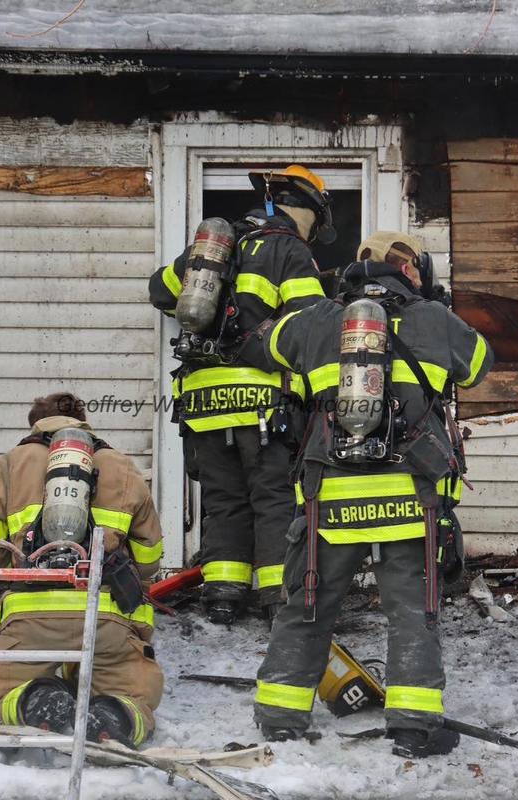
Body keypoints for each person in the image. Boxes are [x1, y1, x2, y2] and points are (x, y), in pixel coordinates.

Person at [248, 231, 494, 758]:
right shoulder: (433, 319)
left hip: (329, 500)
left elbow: (267, 345)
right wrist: (436, 310)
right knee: (413, 613)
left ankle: (280, 719)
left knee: (307, 605)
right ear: (408, 269)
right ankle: (412, 728)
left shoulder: (315, 321)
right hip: (409, 500)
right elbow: (479, 364)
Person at [149, 166, 333, 625]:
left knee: (223, 499)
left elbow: (160, 291)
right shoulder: (288, 248)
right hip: (263, 404)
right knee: (273, 498)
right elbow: (312, 325)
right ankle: (277, 598)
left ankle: (223, 596)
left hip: (203, 404)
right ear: (306, 210)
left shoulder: (214, 248)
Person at [0, 392, 164, 747]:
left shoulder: (9, 464)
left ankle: (35, 703)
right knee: (133, 690)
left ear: (34, 424)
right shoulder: (122, 466)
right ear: (85, 421)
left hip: (29, 617)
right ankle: (113, 716)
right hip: (107, 616)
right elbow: (149, 557)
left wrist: (19, 565)